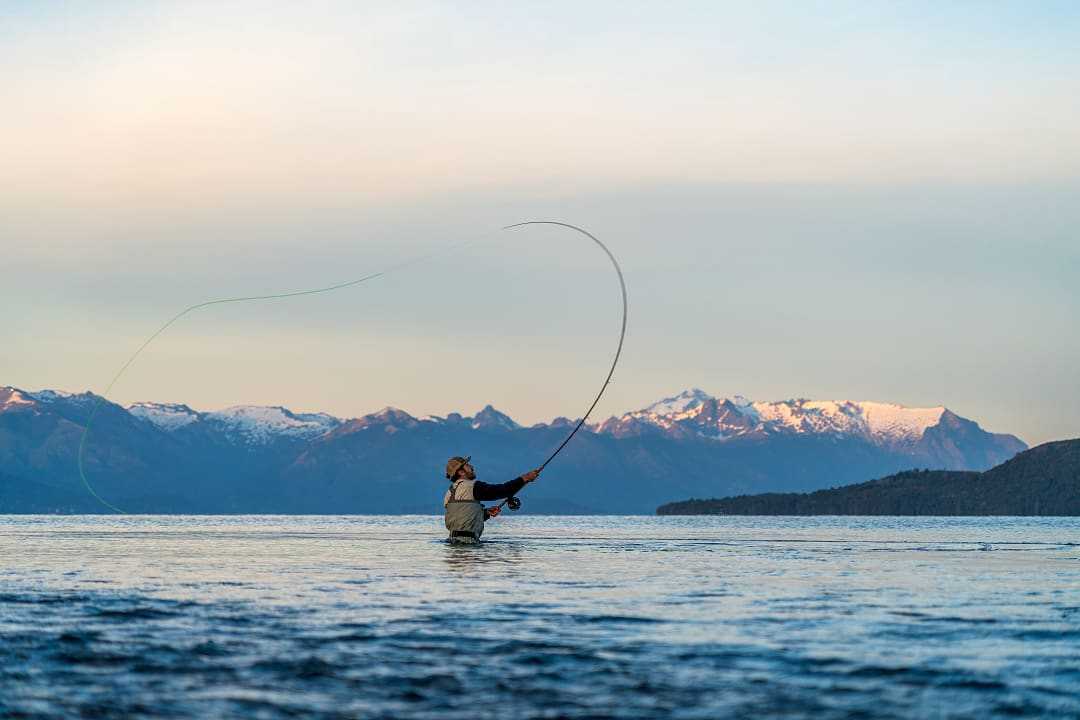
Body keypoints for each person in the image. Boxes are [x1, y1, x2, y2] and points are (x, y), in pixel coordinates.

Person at [443, 456, 540, 544]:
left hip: (452, 541)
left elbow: (462, 518)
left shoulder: (450, 493)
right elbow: (501, 490)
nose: (472, 467)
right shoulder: (471, 486)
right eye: (467, 465)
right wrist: (525, 478)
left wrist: (486, 513)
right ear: (461, 472)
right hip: (468, 543)